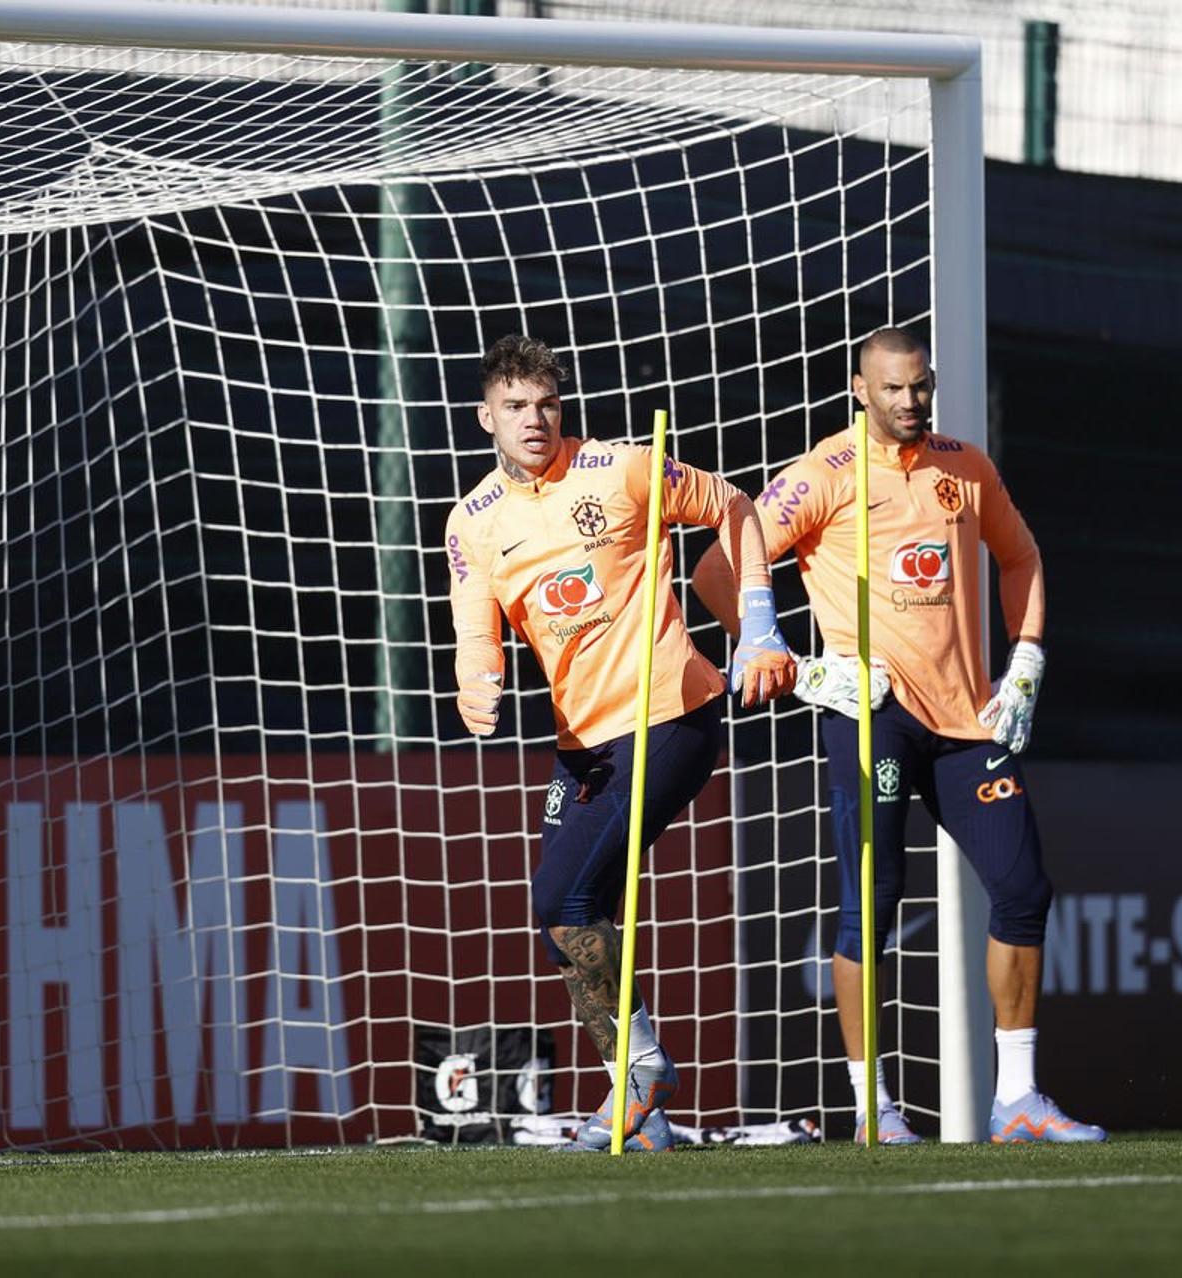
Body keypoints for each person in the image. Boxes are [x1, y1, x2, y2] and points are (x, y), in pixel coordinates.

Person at [691, 327, 1104, 1144]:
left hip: (968, 720)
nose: (910, 402)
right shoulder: (824, 475)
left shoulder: (965, 464)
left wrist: (1024, 660)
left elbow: (1021, 558)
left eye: (921, 386)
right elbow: (717, 569)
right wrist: (795, 664)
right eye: (893, 389)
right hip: (870, 716)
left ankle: (1016, 1100)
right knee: (869, 910)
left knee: (1023, 889)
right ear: (858, 389)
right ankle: (872, 1108)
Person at [445, 335, 797, 1153]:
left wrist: (758, 627)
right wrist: (477, 680)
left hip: (671, 711)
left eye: (546, 404)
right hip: (582, 743)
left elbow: (735, 507)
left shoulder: (624, 468)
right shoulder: (471, 521)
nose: (534, 420)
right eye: (516, 407)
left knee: (563, 900)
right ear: (485, 417)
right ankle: (645, 1108)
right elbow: (475, 625)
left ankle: (639, 1075)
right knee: (564, 914)